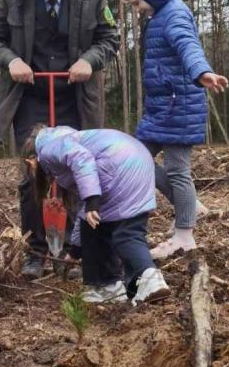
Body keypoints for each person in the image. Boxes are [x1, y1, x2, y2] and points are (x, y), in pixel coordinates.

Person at [0, 0, 119, 278]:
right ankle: (36, 251)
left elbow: (109, 39)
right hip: (29, 98)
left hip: (76, 98)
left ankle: (75, 252)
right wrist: (11, 61)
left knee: (77, 173)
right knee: (33, 176)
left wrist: (89, 60)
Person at [119, 0, 228, 258]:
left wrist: (201, 72)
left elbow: (187, 45)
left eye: (138, 1)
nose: (138, 8)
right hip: (161, 107)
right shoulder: (158, 15)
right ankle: (188, 205)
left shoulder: (174, 14)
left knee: (178, 170)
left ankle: (184, 235)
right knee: (135, 156)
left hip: (179, 105)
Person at [22, 126, 169, 305]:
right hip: (139, 162)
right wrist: (76, 251)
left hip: (117, 167)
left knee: (121, 234)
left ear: (31, 160)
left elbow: (81, 159)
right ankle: (127, 284)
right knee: (122, 230)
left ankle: (134, 281)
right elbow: (84, 213)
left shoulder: (49, 148)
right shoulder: (74, 139)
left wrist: (92, 199)